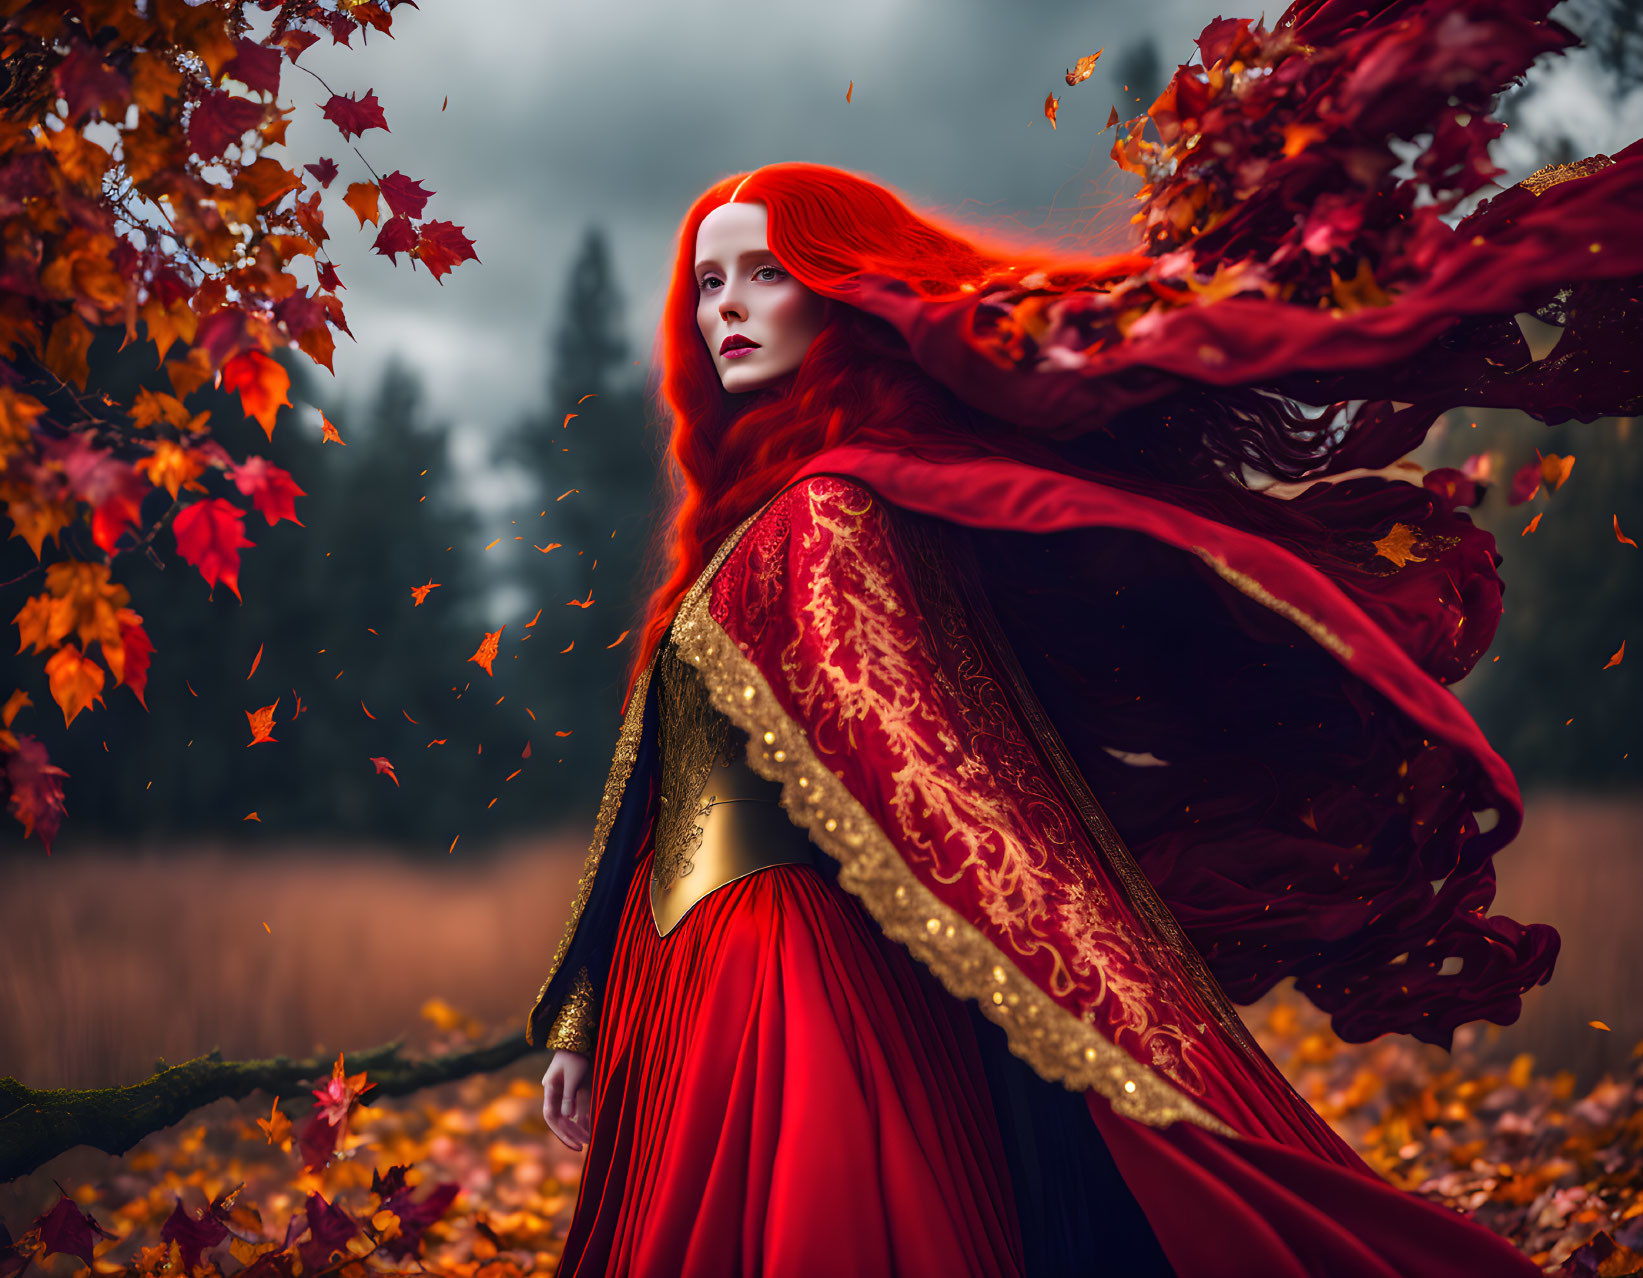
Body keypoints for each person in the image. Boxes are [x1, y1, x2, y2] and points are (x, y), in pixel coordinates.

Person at [527, 3, 1642, 1274]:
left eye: (764, 272)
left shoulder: (834, 509)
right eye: (708, 279)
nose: (728, 305)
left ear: (838, 294)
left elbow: (928, 770)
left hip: (798, 979)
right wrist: (580, 1013)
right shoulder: (751, 529)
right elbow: (657, 782)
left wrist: (1059, 982)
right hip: (690, 967)